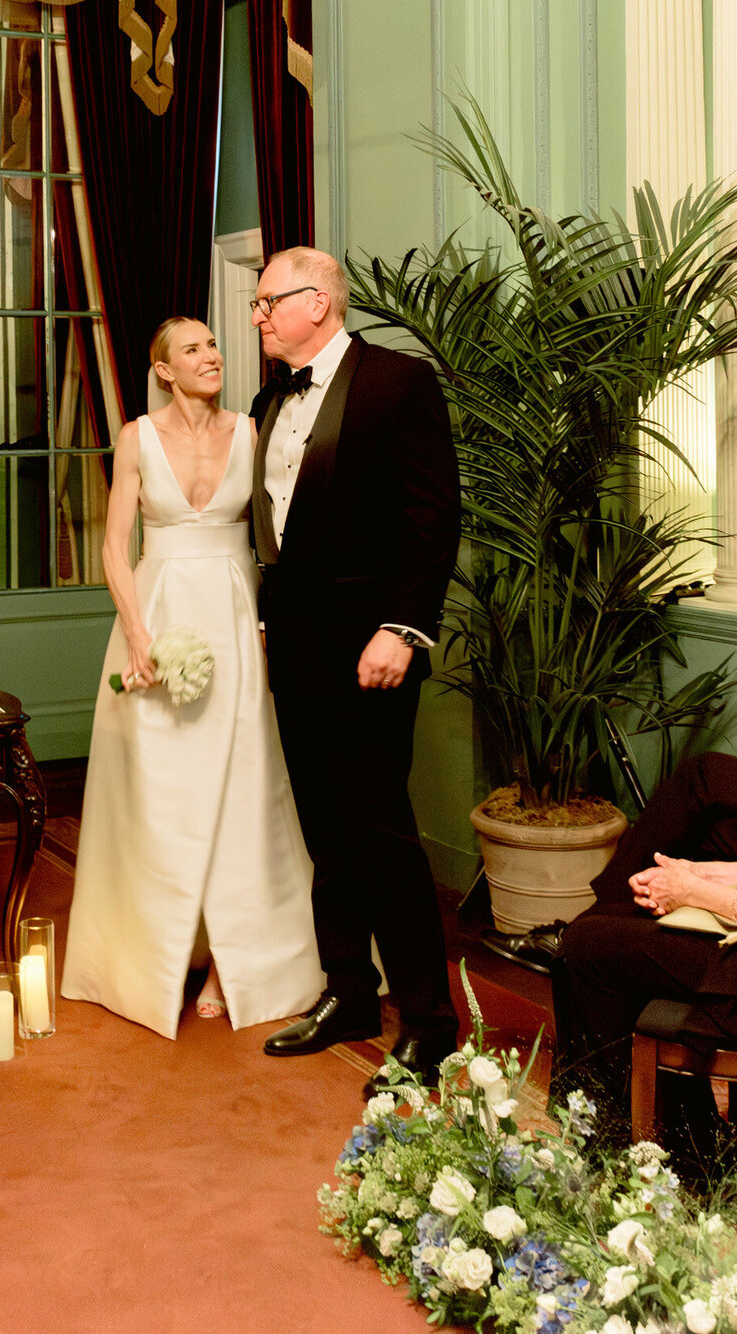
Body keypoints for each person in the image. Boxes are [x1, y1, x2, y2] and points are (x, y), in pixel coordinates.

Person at [61, 315, 323, 1039]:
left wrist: (273, 628)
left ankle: (231, 962)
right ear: (164, 370)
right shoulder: (137, 437)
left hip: (236, 625)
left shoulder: (253, 430)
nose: (211, 356)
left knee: (244, 787)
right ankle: (151, 956)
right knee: (157, 791)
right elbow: (116, 548)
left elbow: (280, 538)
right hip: (156, 620)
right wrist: (139, 635)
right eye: (193, 349)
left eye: (213, 345)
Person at [249, 246, 462, 1089]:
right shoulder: (271, 397)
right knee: (324, 830)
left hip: (372, 643)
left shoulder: (398, 384)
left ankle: (430, 1023)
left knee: (378, 829)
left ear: (319, 303)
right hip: (294, 642)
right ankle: (349, 992)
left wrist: (402, 629)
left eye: (270, 301)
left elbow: (431, 517)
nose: (259, 315)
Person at [552, 735, 737, 1144]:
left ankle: (605, 1151)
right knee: (596, 938)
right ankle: (689, 1133)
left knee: (587, 948)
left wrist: (695, 889)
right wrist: (692, 875)